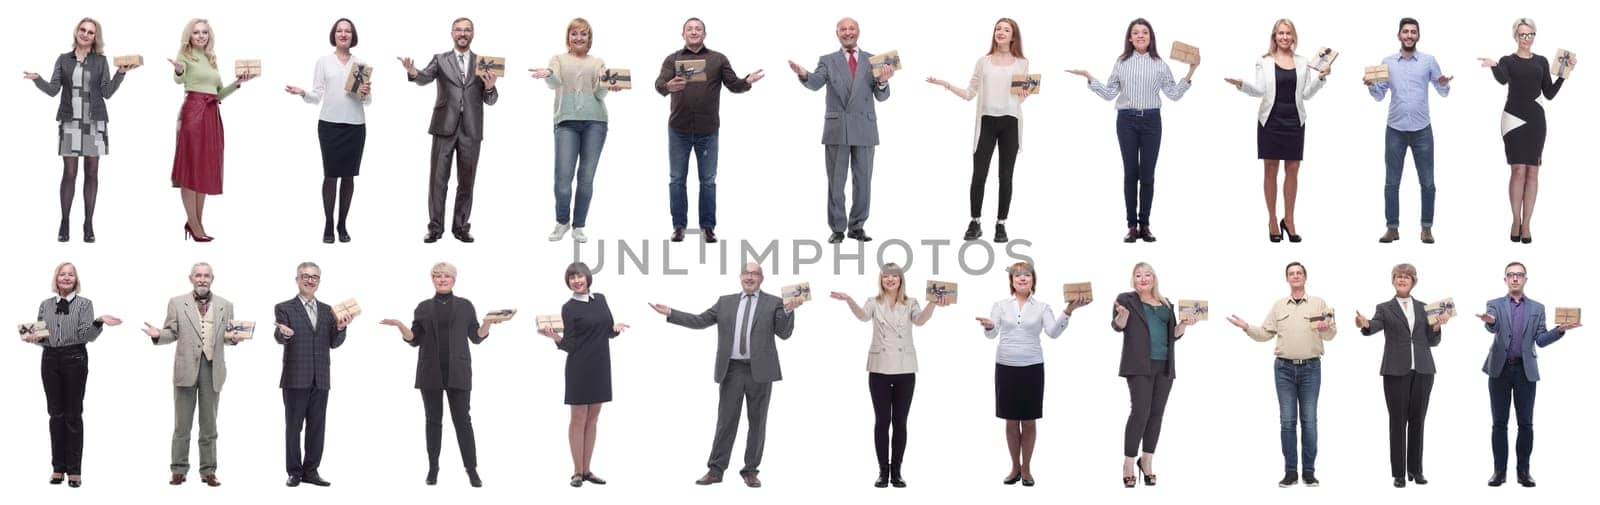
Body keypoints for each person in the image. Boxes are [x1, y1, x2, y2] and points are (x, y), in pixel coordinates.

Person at [649, 262, 803, 488]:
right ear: (740, 277)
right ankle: (716, 470)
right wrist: (672, 313)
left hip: (760, 371)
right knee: (726, 421)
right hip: (731, 370)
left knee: (757, 423)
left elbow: (784, 333)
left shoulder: (775, 302)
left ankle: (750, 471)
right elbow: (700, 321)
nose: (749, 277)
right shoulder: (725, 302)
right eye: (746, 273)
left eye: (754, 274)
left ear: (762, 278)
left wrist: (789, 310)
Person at [1067, 18, 1197, 243]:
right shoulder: (1122, 62)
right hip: (1126, 121)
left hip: (1151, 121)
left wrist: (1191, 71)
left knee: (1147, 174)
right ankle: (1131, 227)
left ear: (1151, 37)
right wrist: (1090, 78)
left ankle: (1145, 225)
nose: (1140, 36)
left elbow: (1174, 94)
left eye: (1144, 32)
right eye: (1135, 33)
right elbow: (1109, 94)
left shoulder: (1159, 64)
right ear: (1129, 38)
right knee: (1130, 173)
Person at [379, 262, 503, 487]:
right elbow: (414, 339)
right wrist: (400, 325)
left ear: (454, 279)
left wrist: (487, 323)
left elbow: (476, 337)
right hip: (431, 373)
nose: (442, 279)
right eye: (437, 276)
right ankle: (433, 467)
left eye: (446, 276)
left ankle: (472, 469)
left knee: (463, 421)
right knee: (433, 421)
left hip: (459, 372)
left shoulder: (465, 306)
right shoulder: (423, 307)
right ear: (432, 280)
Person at [829, 263, 948, 488]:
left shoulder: (910, 302)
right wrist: (849, 300)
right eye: (886, 276)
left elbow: (920, 321)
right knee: (882, 421)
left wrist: (933, 302)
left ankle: (897, 471)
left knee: (900, 422)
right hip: (879, 369)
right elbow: (863, 317)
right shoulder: (874, 302)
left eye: (894, 276)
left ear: (901, 279)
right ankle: (883, 471)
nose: (890, 279)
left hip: (905, 369)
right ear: (881, 280)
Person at [1224, 262, 1336, 487]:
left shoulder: (1319, 303)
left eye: (1299, 273)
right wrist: (1246, 327)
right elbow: (1265, 334)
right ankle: (1291, 472)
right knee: (1287, 422)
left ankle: (1309, 472)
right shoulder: (1278, 306)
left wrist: (1325, 328)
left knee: (1309, 421)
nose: (1295, 276)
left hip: (1311, 369)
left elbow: (1331, 334)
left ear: (1305, 277)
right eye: (1291, 273)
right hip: (1284, 370)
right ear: (1287, 279)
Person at [24, 18, 136, 243]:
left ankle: (88, 223)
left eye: (91, 32)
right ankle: (65, 221)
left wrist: (121, 74)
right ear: (76, 32)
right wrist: (38, 80)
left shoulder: (101, 61)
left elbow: (107, 93)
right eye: (83, 30)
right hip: (70, 121)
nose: (86, 34)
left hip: (94, 122)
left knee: (92, 173)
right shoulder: (64, 60)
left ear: (96, 37)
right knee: (69, 173)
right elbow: (54, 90)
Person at [654, 17, 764, 243]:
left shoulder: (717, 59)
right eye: (689, 29)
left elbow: (733, 85)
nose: (694, 32)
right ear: (683, 34)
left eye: (698, 29)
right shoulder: (672, 59)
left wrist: (747, 81)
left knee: (708, 181)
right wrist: (668, 86)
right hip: (679, 129)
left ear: (704, 34)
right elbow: (659, 85)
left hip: (708, 131)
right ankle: (679, 226)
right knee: (677, 179)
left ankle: (707, 227)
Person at [975, 262, 1085, 487]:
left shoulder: (1042, 307)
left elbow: (1053, 333)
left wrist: (1068, 311)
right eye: (1018, 276)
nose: (1022, 278)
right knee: (1010, 420)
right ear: (1012, 281)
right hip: (1005, 366)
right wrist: (988, 326)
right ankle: (1014, 466)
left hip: (1032, 367)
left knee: (1029, 420)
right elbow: (992, 333)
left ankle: (1027, 468)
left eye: (1027, 275)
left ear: (1033, 280)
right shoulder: (1000, 305)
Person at [788, 17, 894, 244]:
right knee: (836, 181)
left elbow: (881, 96)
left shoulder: (873, 60)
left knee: (863, 180)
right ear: (837, 34)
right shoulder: (827, 60)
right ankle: (837, 228)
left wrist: (884, 82)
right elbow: (815, 83)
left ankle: (857, 227)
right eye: (843, 29)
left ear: (858, 32)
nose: (847, 32)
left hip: (865, 127)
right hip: (838, 127)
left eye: (851, 28)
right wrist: (804, 74)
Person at [1475, 262, 1580, 487]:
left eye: (1519, 275)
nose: (1515, 278)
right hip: (1499, 370)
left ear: (1525, 279)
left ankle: (1523, 472)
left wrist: (1559, 330)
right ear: (1505, 279)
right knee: (1499, 423)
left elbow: (1540, 340)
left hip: (1525, 371)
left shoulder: (1537, 308)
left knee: (1526, 424)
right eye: (1510, 275)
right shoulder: (1493, 304)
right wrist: (1490, 322)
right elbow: (1492, 325)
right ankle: (1499, 472)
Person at [926, 18, 1031, 243]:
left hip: (1010, 123)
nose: (1000, 32)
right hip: (986, 122)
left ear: (1013, 36)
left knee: (1006, 176)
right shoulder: (983, 62)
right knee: (979, 175)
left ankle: (1001, 225)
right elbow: (969, 93)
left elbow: (1019, 99)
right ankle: (975, 222)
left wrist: (1024, 96)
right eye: (997, 28)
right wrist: (946, 85)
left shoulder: (1022, 63)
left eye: (1006, 29)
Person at [1223, 19, 1327, 243]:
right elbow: (1260, 89)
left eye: (1288, 33)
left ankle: (1288, 220)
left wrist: (1320, 78)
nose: (1284, 37)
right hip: (1270, 120)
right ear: (1274, 36)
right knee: (1270, 170)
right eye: (1280, 33)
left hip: (1294, 121)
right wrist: (1242, 84)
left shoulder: (1303, 62)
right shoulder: (1264, 61)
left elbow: (1307, 94)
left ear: (1294, 36)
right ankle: (1272, 220)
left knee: (1293, 171)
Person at [141, 262, 244, 487]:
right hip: (186, 368)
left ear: (212, 279)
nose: (202, 279)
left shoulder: (226, 305)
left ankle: (208, 471)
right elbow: (172, 332)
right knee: (182, 424)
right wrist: (158, 334)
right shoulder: (177, 303)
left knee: (209, 425)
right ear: (191, 278)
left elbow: (228, 335)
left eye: (206, 276)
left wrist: (233, 339)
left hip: (213, 369)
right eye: (198, 275)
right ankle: (178, 469)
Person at [21, 262, 122, 487]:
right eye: (62, 274)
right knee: (55, 414)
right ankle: (58, 467)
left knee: (73, 415)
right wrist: (34, 338)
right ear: (56, 279)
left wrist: (99, 321)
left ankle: (74, 471)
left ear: (76, 280)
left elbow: (86, 335)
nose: (66, 278)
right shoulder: (45, 304)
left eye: (70, 275)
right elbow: (43, 336)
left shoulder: (85, 304)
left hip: (74, 358)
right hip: (49, 359)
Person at [400, 17, 500, 243]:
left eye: (467, 30)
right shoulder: (441, 59)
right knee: (438, 179)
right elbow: (424, 77)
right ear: (452, 33)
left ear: (473, 34)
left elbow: (491, 100)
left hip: (472, 129)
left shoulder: (484, 63)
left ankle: (461, 227)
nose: (462, 34)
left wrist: (491, 87)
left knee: (467, 181)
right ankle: (435, 228)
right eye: (458, 30)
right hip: (444, 126)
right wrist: (413, 72)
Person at [1355, 263, 1449, 487]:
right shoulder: (1385, 307)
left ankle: (1416, 470)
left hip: (1424, 370)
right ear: (1393, 280)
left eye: (1407, 277)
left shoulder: (1425, 307)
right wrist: (1365, 323)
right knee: (1397, 421)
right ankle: (1398, 473)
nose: (1402, 280)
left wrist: (1436, 327)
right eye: (1398, 276)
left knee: (1418, 421)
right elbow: (1374, 325)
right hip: (1395, 370)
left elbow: (1432, 341)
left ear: (1413, 281)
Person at [1478, 19, 1571, 244]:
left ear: (1534, 36)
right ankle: (1515, 220)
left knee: (1533, 171)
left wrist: (1563, 76)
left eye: (1530, 34)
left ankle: (1527, 222)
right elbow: (1502, 79)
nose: (1526, 38)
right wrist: (1493, 66)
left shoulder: (1540, 61)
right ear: (1515, 36)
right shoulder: (1507, 60)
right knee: (1518, 170)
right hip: (1512, 119)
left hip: (1535, 120)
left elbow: (1548, 93)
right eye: (1522, 34)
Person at [529, 19, 622, 244]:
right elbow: (554, 81)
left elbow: (599, 94)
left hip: (595, 122)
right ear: (568, 37)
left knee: (586, 178)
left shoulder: (598, 62)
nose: (578, 38)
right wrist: (547, 73)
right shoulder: (558, 59)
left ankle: (579, 225)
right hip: (566, 122)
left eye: (583, 34)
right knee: (563, 178)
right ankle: (562, 221)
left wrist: (608, 85)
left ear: (589, 38)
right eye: (574, 34)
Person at [539, 262, 628, 487]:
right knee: (578, 419)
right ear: (568, 282)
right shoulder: (568, 308)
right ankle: (577, 472)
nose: (576, 281)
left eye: (579, 276)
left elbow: (606, 331)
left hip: (600, 365)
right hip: (579, 366)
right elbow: (569, 344)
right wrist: (554, 338)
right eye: (571, 278)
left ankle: (588, 470)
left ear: (588, 277)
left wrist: (615, 329)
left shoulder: (601, 299)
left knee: (593, 418)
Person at [1111, 262, 1198, 487]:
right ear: (1133, 280)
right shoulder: (1126, 299)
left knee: (1156, 414)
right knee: (1140, 412)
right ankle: (1128, 463)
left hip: (1165, 366)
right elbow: (1118, 326)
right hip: (1139, 365)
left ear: (1154, 278)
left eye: (1147, 274)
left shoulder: (1166, 303)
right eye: (1138, 275)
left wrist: (1185, 325)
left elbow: (1174, 334)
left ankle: (1147, 462)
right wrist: (1122, 316)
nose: (1143, 278)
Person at [286, 18, 371, 244]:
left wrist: (364, 92)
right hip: (329, 125)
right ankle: (328, 223)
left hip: (355, 126)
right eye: (339, 31)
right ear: (334, 35)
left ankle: (342, 224)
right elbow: (316, 95)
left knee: (349, 176)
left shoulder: (360, 64)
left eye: (348, 31)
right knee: (330, 175)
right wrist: (303, 92)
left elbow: (367, 101)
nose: (343, 34)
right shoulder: (323, 62)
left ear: (353, 36)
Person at [1367, 18, 1452, 244]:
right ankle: (1392, 228)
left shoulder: (1428, 61)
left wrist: (1443, 83)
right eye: (1405, 32)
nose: (1409, 35)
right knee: (1391, 182)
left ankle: (1426, 228)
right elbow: (1379, 95)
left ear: (1418, 36)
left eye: (1413, 32)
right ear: (1399, 35)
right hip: (1395, 129)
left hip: (1422, 129)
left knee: (1427, 182)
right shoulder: (1387, 62)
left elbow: (1443, 91)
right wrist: (1371, 85)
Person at [169, 19, 255, 242]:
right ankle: (195, 224)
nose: (200, 36)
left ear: (209, 35)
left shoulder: (210, 59)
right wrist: (179, 71)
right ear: (189, 35)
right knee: (191, 168)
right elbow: (179, 79)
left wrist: (237, 83)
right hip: (193, 113)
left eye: (204, 32)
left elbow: (218, 94)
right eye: (196, 32)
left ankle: (196, 222)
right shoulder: (185, 56)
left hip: (211, 113)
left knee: (204, 168)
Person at [272, 262, 351, 487]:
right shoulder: (284, 307)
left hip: (321, 377)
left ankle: (311, 471)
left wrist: (342, 328)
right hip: (295, 377)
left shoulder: (328, 311)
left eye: (314, 277)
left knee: (317, 427)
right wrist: (283, 334)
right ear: (297, 279)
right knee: (294, 427)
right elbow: (280, 335)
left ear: (319, 281)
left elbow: (334, 343)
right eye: (305, 276)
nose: (310, 280)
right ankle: (294, 472)